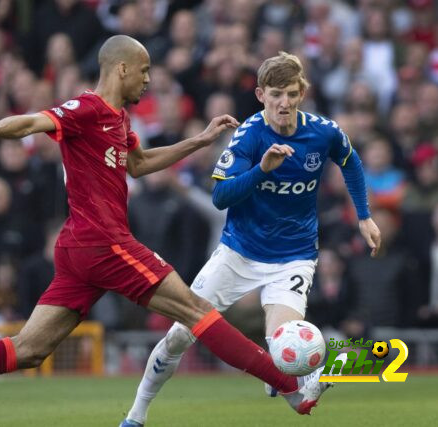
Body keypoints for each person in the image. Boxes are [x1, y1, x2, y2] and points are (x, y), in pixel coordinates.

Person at [0, 36, 330, 427]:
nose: (149, 80)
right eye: (145, 70)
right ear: (121, 68)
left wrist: (197, 141)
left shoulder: (117, 120)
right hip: (104, 243)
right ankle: (288, 386)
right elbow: (38, 121)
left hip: (79, 249)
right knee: (196, 310)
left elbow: (138, 164)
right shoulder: (86, 108)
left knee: (30, 348)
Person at [120, 51, 381, 426]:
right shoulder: (248, 136)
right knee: (179, 336)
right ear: (261, 95)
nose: (284, 103)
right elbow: (220, 196)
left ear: (302, 92)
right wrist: (262, 169)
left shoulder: (323, 131)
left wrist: (364, 216)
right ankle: (136, 414)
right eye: (276, 94)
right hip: (238, 254)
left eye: (292, 94)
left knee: (284, 340)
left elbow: (350, 160)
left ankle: (286, 374)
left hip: (294, 256)